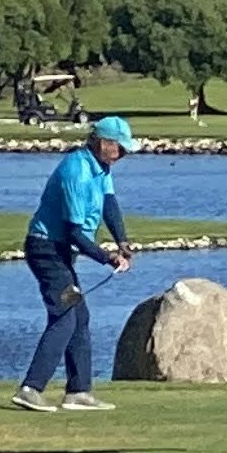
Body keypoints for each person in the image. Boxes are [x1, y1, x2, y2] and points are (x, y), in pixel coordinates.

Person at [15, 116, 135, 412]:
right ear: (103, 142)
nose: (123, 154)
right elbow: (74, 233)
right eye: (120, 148)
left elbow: (109, 204)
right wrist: (106, 257)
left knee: (79, 316)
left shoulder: (101, 167)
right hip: (46, 250)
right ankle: (30, 388)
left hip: (60, 252)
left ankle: (78, 392)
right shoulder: (76, 171)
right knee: (66, 315)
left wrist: (122, 241)